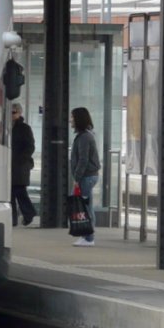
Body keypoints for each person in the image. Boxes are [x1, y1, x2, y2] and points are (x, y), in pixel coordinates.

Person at [70, 106, 100, 247]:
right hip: (87, 176)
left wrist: (77, 178)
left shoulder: (84, 137)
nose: (71, 120)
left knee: (85, 207)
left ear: (78, 119)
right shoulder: (85, 135)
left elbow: (83, 159)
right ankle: (86, 235)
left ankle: (88, 237)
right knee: (85, 206)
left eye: (73, 117)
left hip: (86, 177)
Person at [10, 102, 37, 226]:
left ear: (19, 113)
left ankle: (28, 213)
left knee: (19, 191)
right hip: (9, 165)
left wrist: (22, 159)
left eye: (14, 112)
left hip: (20, 165)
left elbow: (30, 146)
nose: (11, 115)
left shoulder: (24, 128)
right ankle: (13, 219)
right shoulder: (4, 127)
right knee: (11, 193)